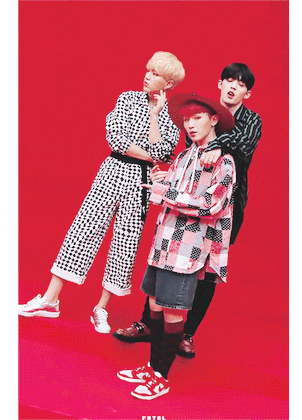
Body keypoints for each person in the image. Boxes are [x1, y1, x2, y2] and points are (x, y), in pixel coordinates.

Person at [18, 52, 185, 334]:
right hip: (112, 171)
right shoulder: (127, 98)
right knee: (83, 229)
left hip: (142, 183)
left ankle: (101, 308)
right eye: (148, 70)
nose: (147, 76)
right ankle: (50, 300)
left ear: (168, 84)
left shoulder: (172, 117)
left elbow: (163, 150)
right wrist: (152, 156)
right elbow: (116, 139)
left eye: (155, 74)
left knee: (125, 242)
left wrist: (156, 117)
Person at [113, 63, 262, 357]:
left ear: (247, 92)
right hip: (185, 202)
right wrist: (169, 179)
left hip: (224, 205)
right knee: (166, 257)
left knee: (206, 272)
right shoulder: (200, 113)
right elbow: (189, 155)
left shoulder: (251, 120)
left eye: (240, 83)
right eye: (229, 80)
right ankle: (148, 324)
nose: (233, 86)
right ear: (220, 84)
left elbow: (243, 145)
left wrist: (218, 144)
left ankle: (187, 333)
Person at [117, 93, 236, 400]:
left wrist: (166, 194)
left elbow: (211, 205)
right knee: (155, 305)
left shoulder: (223, 161)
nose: (190, 125)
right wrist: (163, 183)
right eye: (186, 119)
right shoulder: (184, 156)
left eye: (197, 118)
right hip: (163, 242)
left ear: (213, 120)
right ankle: (151, 367)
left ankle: (161, 376)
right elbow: (173, 189)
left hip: (188, 249)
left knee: (172, 311)